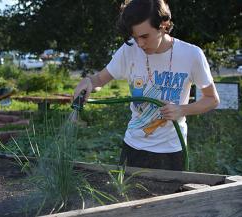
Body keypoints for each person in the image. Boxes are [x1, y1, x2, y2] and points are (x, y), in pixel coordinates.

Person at [73, 0, 220, 171]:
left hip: (172, 151)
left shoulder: (192, 54)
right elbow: (99, 80)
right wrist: (88, 82)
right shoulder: (129, 50)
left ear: (164, 25)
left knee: (172, 199)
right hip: (133, 148)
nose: (140, 44)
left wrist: (181, 110)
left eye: (144, 36)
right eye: (135, 37)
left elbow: (212, 99)